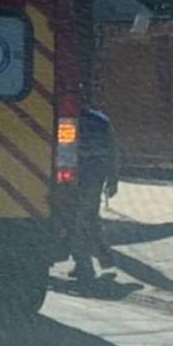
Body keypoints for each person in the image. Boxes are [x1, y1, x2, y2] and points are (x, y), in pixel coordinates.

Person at [69, 106, 121, 283]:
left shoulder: (67, 119)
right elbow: (113, 150)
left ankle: (84, 264)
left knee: (77, 221)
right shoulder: (101, 120)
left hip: (74, 177)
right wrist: (113, 178)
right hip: (94, 176)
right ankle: (103, 259)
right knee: (88, 219)